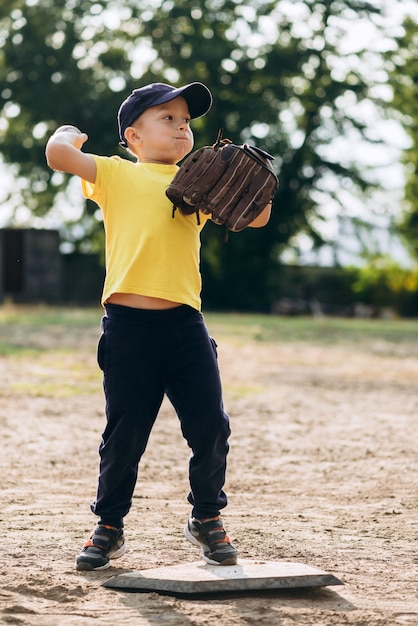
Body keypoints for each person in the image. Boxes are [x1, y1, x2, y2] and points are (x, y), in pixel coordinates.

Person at [45, 81, 271, 572]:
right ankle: (109, 524)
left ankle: (207, 517)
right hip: (128, 331)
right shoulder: (115, 173)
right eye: (167, 118)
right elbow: (58, 156)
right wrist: (68, 134)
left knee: (210, 427)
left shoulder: (196, 187)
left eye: (186, 120)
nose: (182, 127)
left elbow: (258, 218)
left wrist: (256, 183)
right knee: (125, 434)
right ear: (134, 135)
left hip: (185, 328)